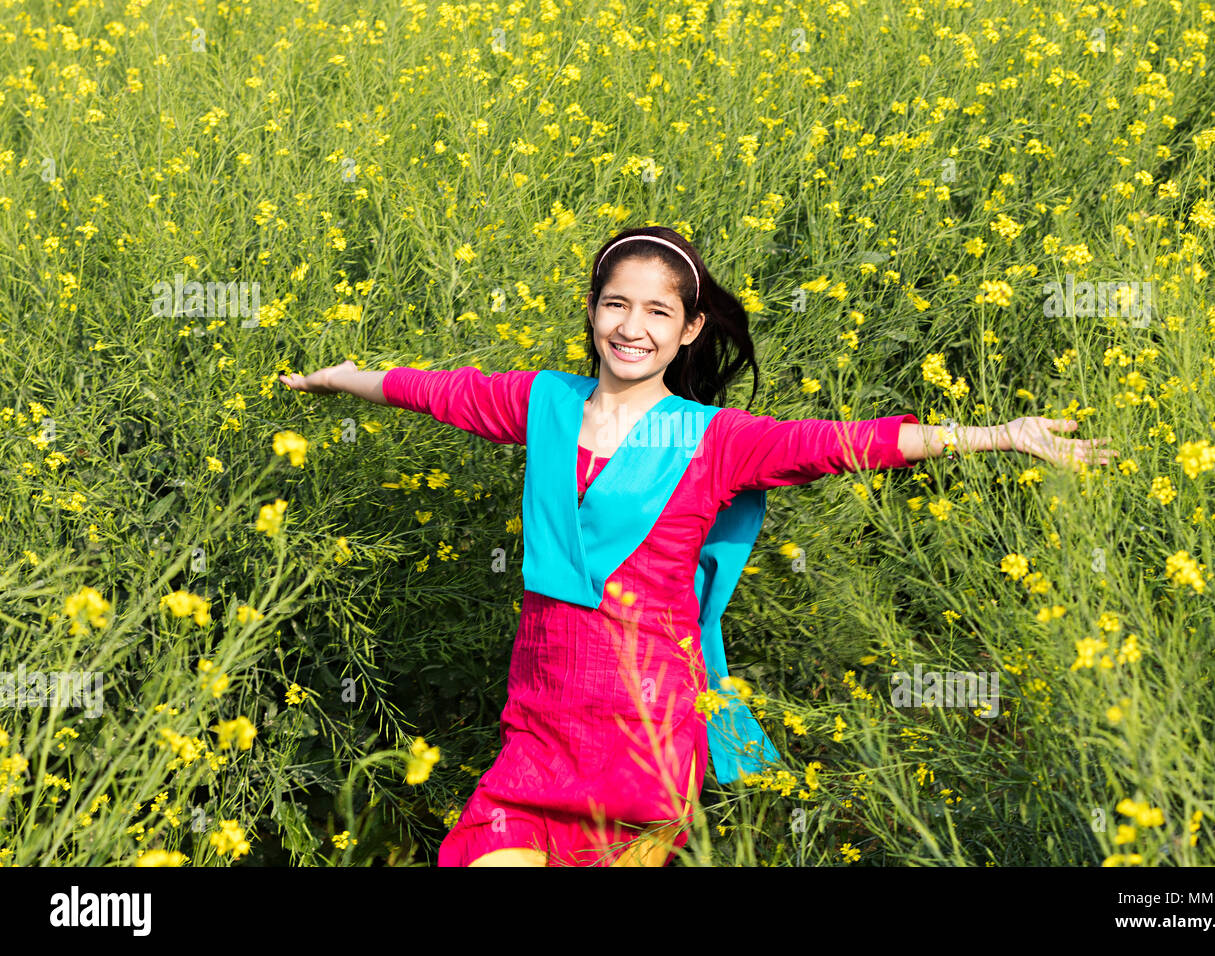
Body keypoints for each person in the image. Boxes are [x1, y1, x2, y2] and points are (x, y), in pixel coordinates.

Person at [280, 226, 1112, 866]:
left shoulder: (715, 440)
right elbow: (430, 390)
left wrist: (1002, 434)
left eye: (656, 312)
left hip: (645, 739)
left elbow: (843, 440)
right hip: (535, 731)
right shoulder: (541, 403)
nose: (630, 327)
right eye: (615, 303)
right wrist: (341, 377)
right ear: (593, 311)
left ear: (688, 330)